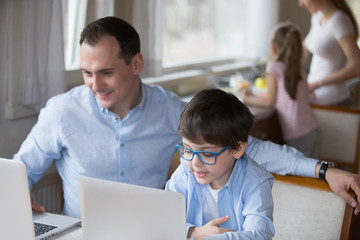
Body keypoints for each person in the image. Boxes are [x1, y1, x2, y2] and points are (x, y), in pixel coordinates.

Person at [13, 16, 360, 219]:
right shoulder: (61, 112)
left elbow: (249, 148)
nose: (93, 84)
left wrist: (325, 169)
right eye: (86, 73)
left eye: (105, 72)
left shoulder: (172, 110)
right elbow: (20, 170)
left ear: (136, 64)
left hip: (154, 234)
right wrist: (17, 195)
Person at [166, 89, 275, 239]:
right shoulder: (186, 170)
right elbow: (164, 220)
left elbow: (259, 234)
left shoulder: (256, 182)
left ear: (237, 149)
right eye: (188, 150)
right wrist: (194, 232)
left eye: (208, 154)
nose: (195, 163)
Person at [240, 22, 320, 158]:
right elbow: (285, 95)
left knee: (299, 176)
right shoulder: (298, 68)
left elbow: (270, 101)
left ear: (273, 48)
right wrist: (257, 95)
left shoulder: (274, 66)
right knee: (313, 175)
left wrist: (246, 98)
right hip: (313, 129)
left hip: (297, 133)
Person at [299, 0, 360, 106]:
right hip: (316, 98)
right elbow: (304, 48)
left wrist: (318, 84)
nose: (301, 4)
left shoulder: (339, 21)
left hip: (334, 102)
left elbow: (357, 66)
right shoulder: (317, 17)